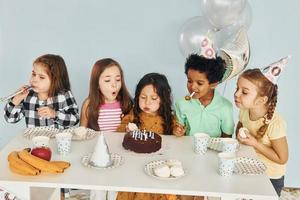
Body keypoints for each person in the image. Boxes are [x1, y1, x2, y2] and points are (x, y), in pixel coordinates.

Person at [234, 57, 289, 197]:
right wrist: (240, 136)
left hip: (269, 177)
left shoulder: (275, 123)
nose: (236, 94)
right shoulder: (244, 110)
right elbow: (240, 126)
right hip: (249, 168)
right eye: (237, 88)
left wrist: (255, 143)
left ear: (261, 100)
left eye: (244, 92)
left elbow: (282, 158)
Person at [116, 72, 176, 200]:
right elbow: (119, 130)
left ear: (163, 99)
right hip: (135, 167)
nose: (147, 102)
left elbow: (177, 136)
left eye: (154, 98)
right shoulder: (133, 115)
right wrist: (126, 130)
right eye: (143, 97)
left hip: (158, 167)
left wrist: (178, 131)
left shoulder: (169, 119)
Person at [80, 58, 133, 200]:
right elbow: (82, 133)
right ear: (97, 83)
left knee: (115, 192)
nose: (114, 85)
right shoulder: (89, 105)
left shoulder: (126, 104)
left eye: (118, 79)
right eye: (107, 80)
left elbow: (132, 131)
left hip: (121, 157)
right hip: (99, 158)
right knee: (98, 191)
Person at [4, 54, 79, 129]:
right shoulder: (27, 96)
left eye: (41, 77)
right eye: (34, 74)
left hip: (57, 140)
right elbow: (10, 119)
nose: (34, 80)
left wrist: (55, 114)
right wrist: (16, 99)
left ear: (55, 80)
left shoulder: (64, 95)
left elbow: (75, 120)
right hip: (34, 140)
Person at [174, 54, 234, 138]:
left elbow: (227, 137)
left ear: (213, 84)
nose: (193, 87)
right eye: (189, 81)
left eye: (199, 83)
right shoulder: (181, 103)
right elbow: (178, 128)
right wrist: (178, 131)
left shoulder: (225, 107)